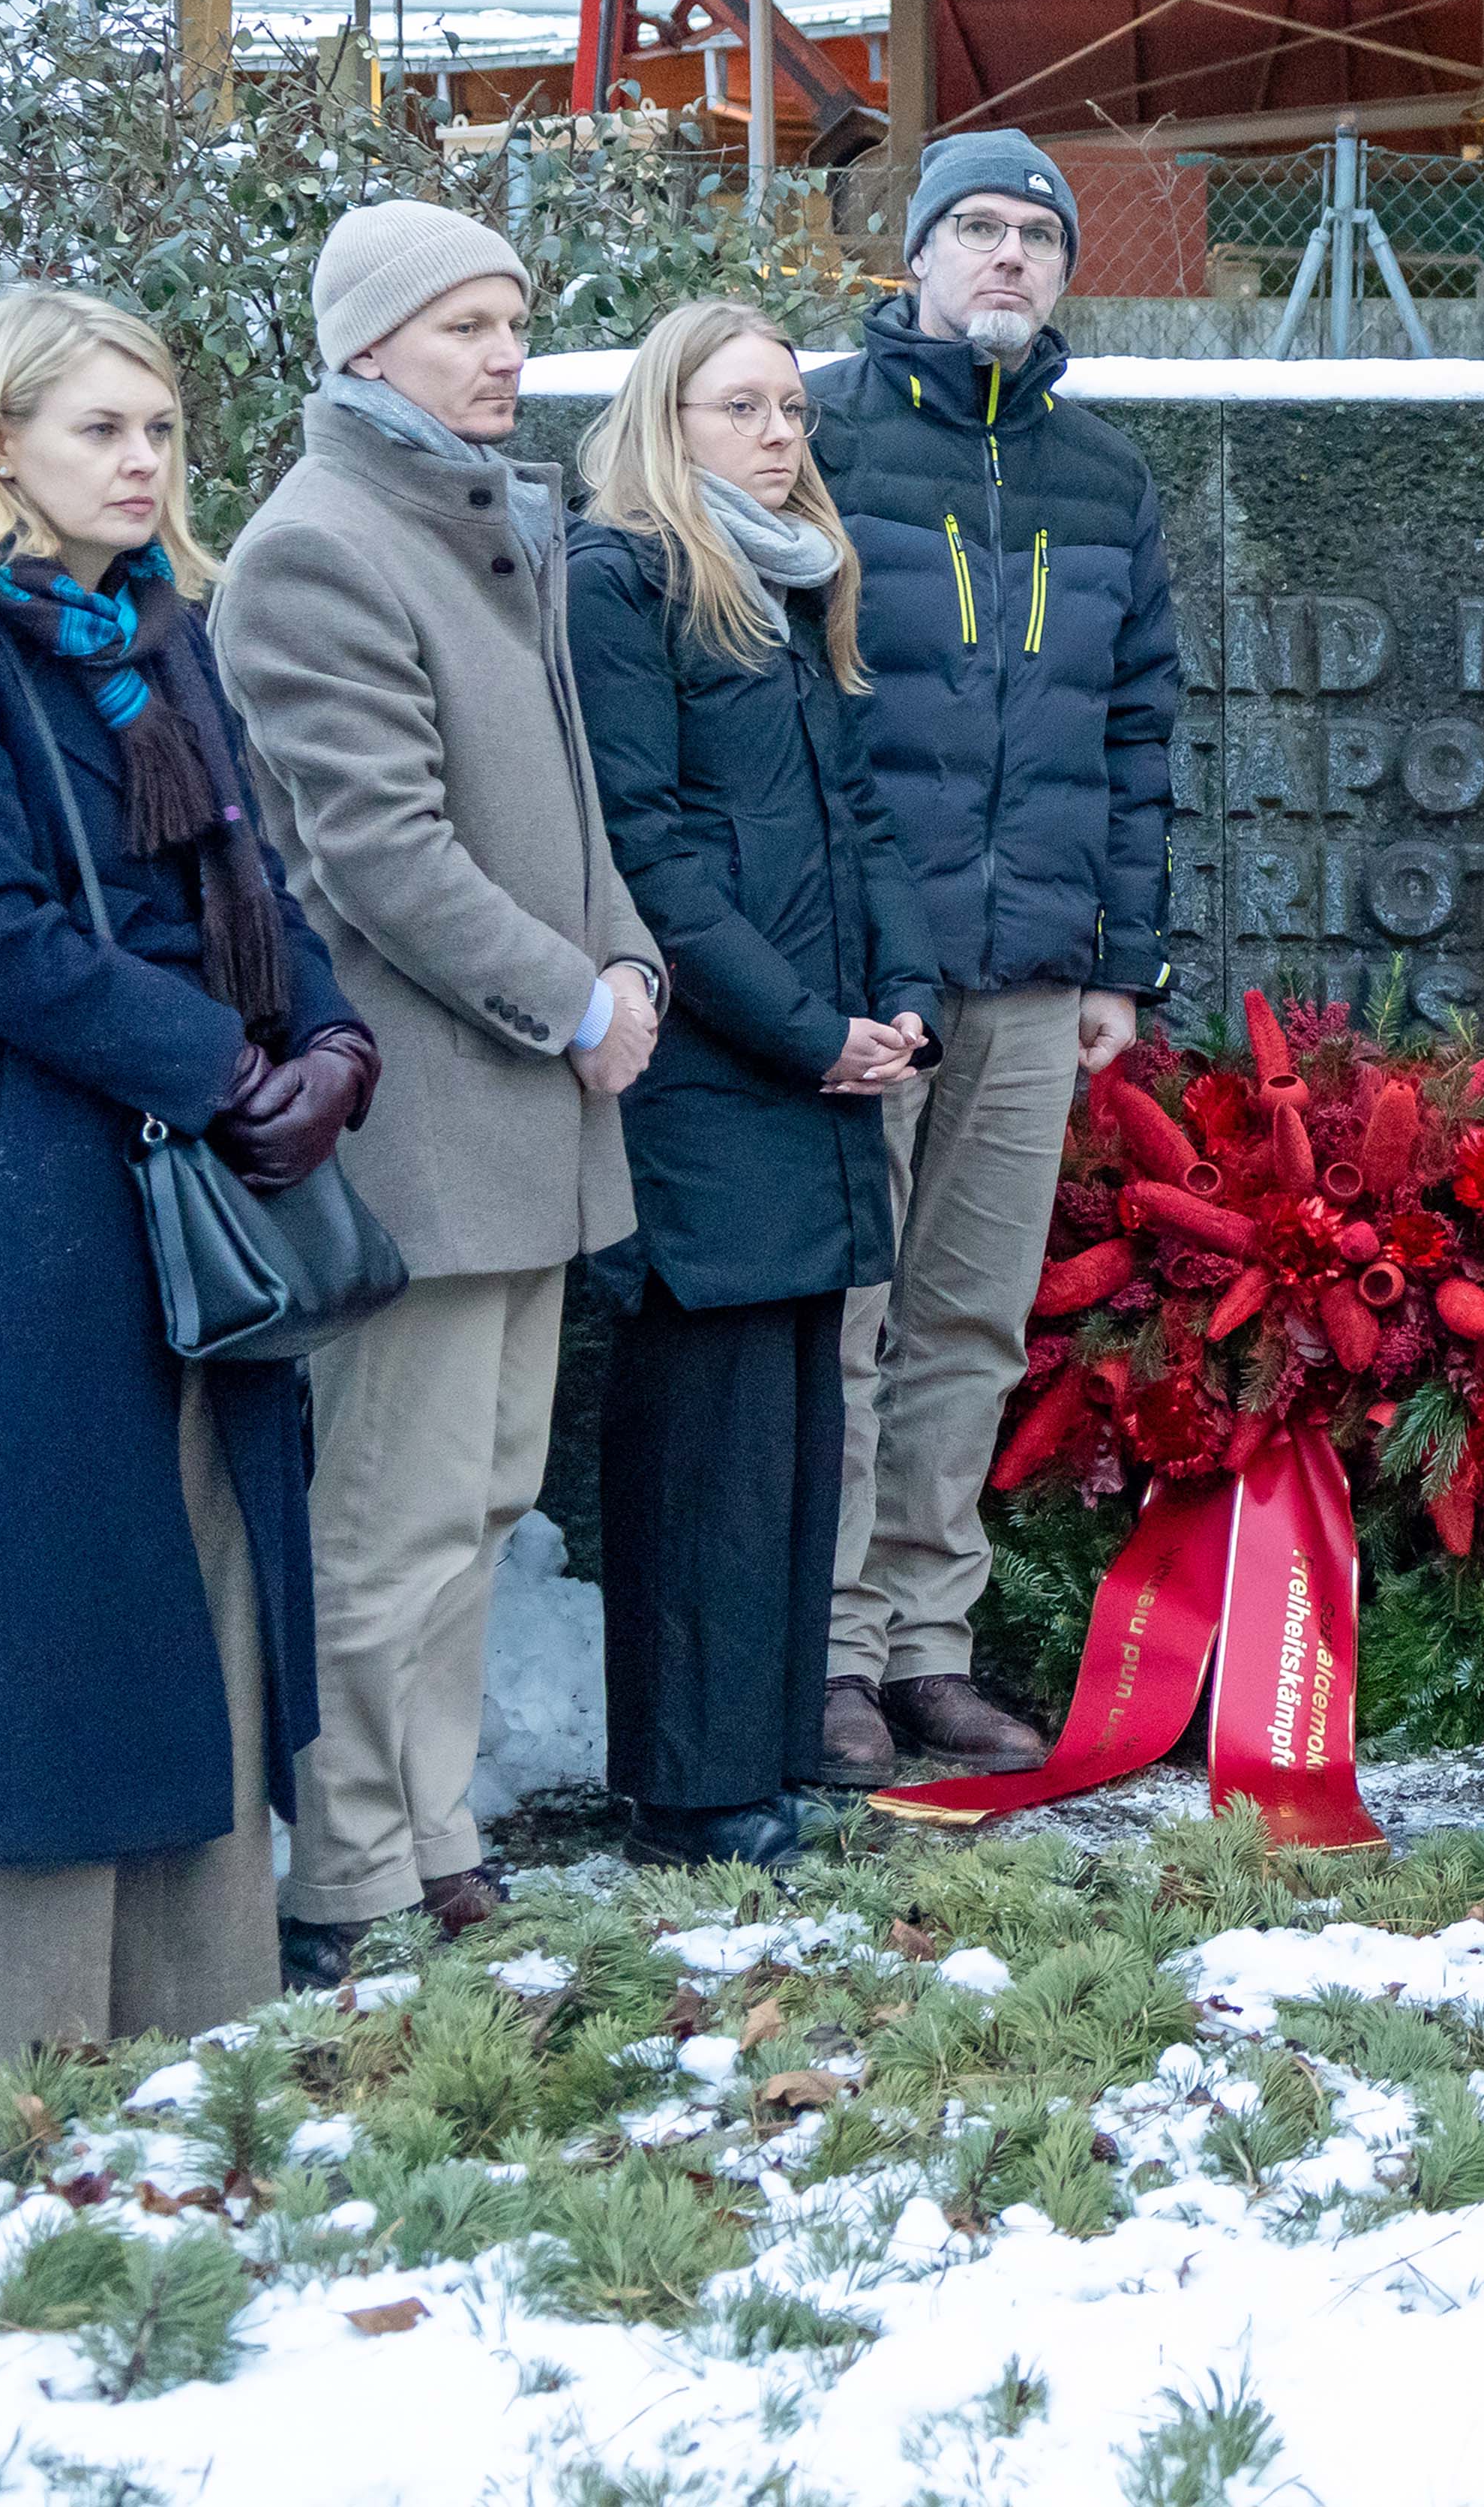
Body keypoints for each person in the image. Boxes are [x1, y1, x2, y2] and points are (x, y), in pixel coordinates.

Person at [0, 287, 379, 2080]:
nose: (141, 461)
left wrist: (331, 1046)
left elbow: (263, 883)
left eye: (158, 429)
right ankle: (28, 2067)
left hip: (210, 1165)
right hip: (41, 1169)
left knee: (214, 1579)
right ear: (2, 445)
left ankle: (202, 2031)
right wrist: (222, 1068)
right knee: (54, 1607)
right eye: (98, 430)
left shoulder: (173, 633)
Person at [213, 202, 664, 1981]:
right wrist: (571, 1000)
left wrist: (623, 963)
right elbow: (377, 851)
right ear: (364, 347)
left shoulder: (485, 523)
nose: (503, 355)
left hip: (533, 1108)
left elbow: (572, 804)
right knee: (389, 1518)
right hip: (427, 1116)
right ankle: (347, 1875)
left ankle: (437, 1828)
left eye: (513, 321)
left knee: (480, 1495)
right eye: (464, 324)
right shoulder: (318, 547)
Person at [811, 128, 1181, 1784]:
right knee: (845, 1312)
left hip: (1033, 964)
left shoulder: (1105, 478)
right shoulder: (814, 435)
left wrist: (1124, 961)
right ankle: (821, 1649)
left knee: (966, 1316)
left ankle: (925, 1648)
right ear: (916, 254)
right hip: (863, 968)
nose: (1008, 256)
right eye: (976, 226)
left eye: (1037, 232)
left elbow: (1141, 726)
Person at [568, 299, 943, 1867]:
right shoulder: (624, 580)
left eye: (791, 408)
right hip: (714, 1079)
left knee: (790, 1433)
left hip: (818, 1075)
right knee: (705, 1449)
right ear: (668, 419)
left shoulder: (793, 590)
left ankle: (765, 1754)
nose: (779, 435)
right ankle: (692, 1785)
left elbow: (858, 822)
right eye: (741, 408)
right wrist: (806, 1029)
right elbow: (645, 852)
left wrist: (903, 993)